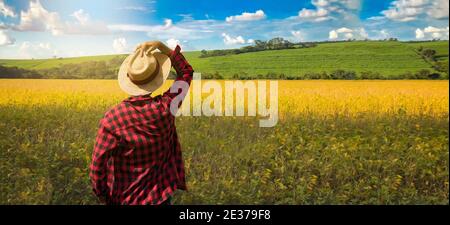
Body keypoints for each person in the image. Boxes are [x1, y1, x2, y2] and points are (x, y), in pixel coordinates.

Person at [89, 41, 193, 205]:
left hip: (126, 199)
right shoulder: (166, 107)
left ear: (129, 80)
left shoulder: (112, 119)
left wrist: (103, 196)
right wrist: (161, 46)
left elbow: (97, 168)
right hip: (161, 197)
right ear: (157, 78)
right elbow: (186, 72)